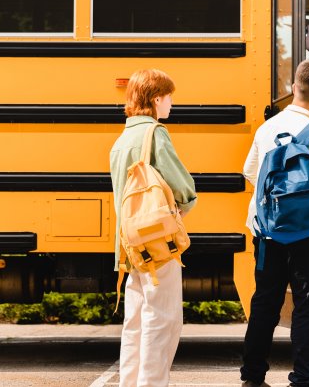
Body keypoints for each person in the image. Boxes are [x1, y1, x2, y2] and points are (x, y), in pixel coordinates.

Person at [241, 60, 309, 387]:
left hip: (267, 231)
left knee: (264, 303)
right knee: (307, 307)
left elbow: (249, 172)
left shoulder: (266, 128)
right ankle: (304, 377)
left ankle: (252, 377)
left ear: (295, 88)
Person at [110, 69, 197, 387]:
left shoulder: (122, 139)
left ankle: (130, 382)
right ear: (156, 98)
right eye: (169, 96)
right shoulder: (154, 134)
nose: (172, 103)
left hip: (131, 246)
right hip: (158, 243)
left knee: (135, 321)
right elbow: (182, 186)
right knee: (163, 321)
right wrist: (184, 207)